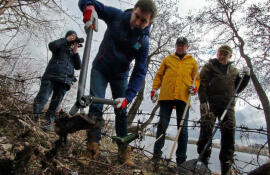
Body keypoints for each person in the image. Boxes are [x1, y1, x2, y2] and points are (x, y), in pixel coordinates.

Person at [78, 0, 157, 167]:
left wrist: (128, 97)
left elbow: (140, 72)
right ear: (133, 10)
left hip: (120, 75)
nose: (137, 22)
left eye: (143, 21)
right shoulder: (116, 16)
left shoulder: (143, 43)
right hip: (100, 68)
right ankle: (92, 148)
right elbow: (86, 1)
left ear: (149, 23)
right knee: (96, 105)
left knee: (121, 111)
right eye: (137, 16)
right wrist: (88, 8)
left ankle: (123, 152)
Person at [197, 45, 250, 175]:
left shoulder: (234, 71)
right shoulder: (209, 67)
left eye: (225, 54)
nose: (221, 56)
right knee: (206, 133)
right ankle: (203, 165)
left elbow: (238, 88)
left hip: (228, 107)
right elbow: (201, 84)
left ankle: (226, 169)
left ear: (230, 56)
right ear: (217, 54)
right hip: (210, 105)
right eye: (220, 53)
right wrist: (204, 102)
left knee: (228, 137)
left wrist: (247, 77)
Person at [150, 37, 200, 166]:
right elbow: (159, 75)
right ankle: (156, 156)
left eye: (183, 45)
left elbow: (197, 80)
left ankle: (181, 161)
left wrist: (194, 88)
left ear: (187, 47)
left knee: (182, 130)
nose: (180, 47)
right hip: (166, 96)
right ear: (175, 46)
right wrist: (155, 88)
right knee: (162, 125)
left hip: (183, 98)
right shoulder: (168, 59)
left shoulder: (193, 62)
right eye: (178, 45)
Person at [33, 30, 82, 130]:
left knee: (55, 104)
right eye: (72, 36)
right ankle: (34, 118)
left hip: (64, 81)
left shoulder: (73, 54)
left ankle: (48, 123)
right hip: (51, 76)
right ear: (67, 36)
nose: (74, 38)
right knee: (43, 97)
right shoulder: (60, 46)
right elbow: (52, 45)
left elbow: (78, 66)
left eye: (75, 37)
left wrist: (75, 51)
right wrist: (66, 40)